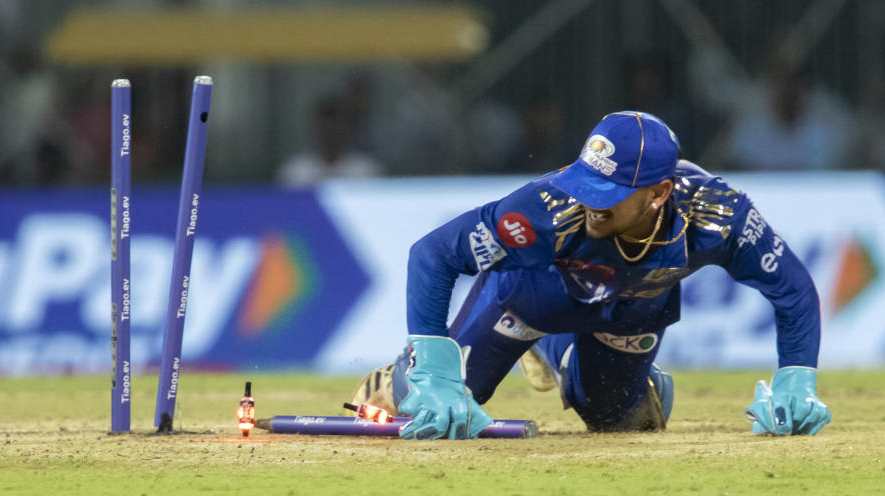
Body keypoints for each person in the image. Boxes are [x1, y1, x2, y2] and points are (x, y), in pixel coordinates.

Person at [351, 111, 831, 439]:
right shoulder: (547, 208)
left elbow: (793, 290)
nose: (588, 201)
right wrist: (433, 374)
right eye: (587, 181)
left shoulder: (718, 217)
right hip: (528, 298)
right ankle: (399, 377)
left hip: (634, 313)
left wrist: (796, 381)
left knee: (616, 421)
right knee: (436, 408)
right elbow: (433, 255)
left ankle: (569, 358)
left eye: (608, 191)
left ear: (659, 193)